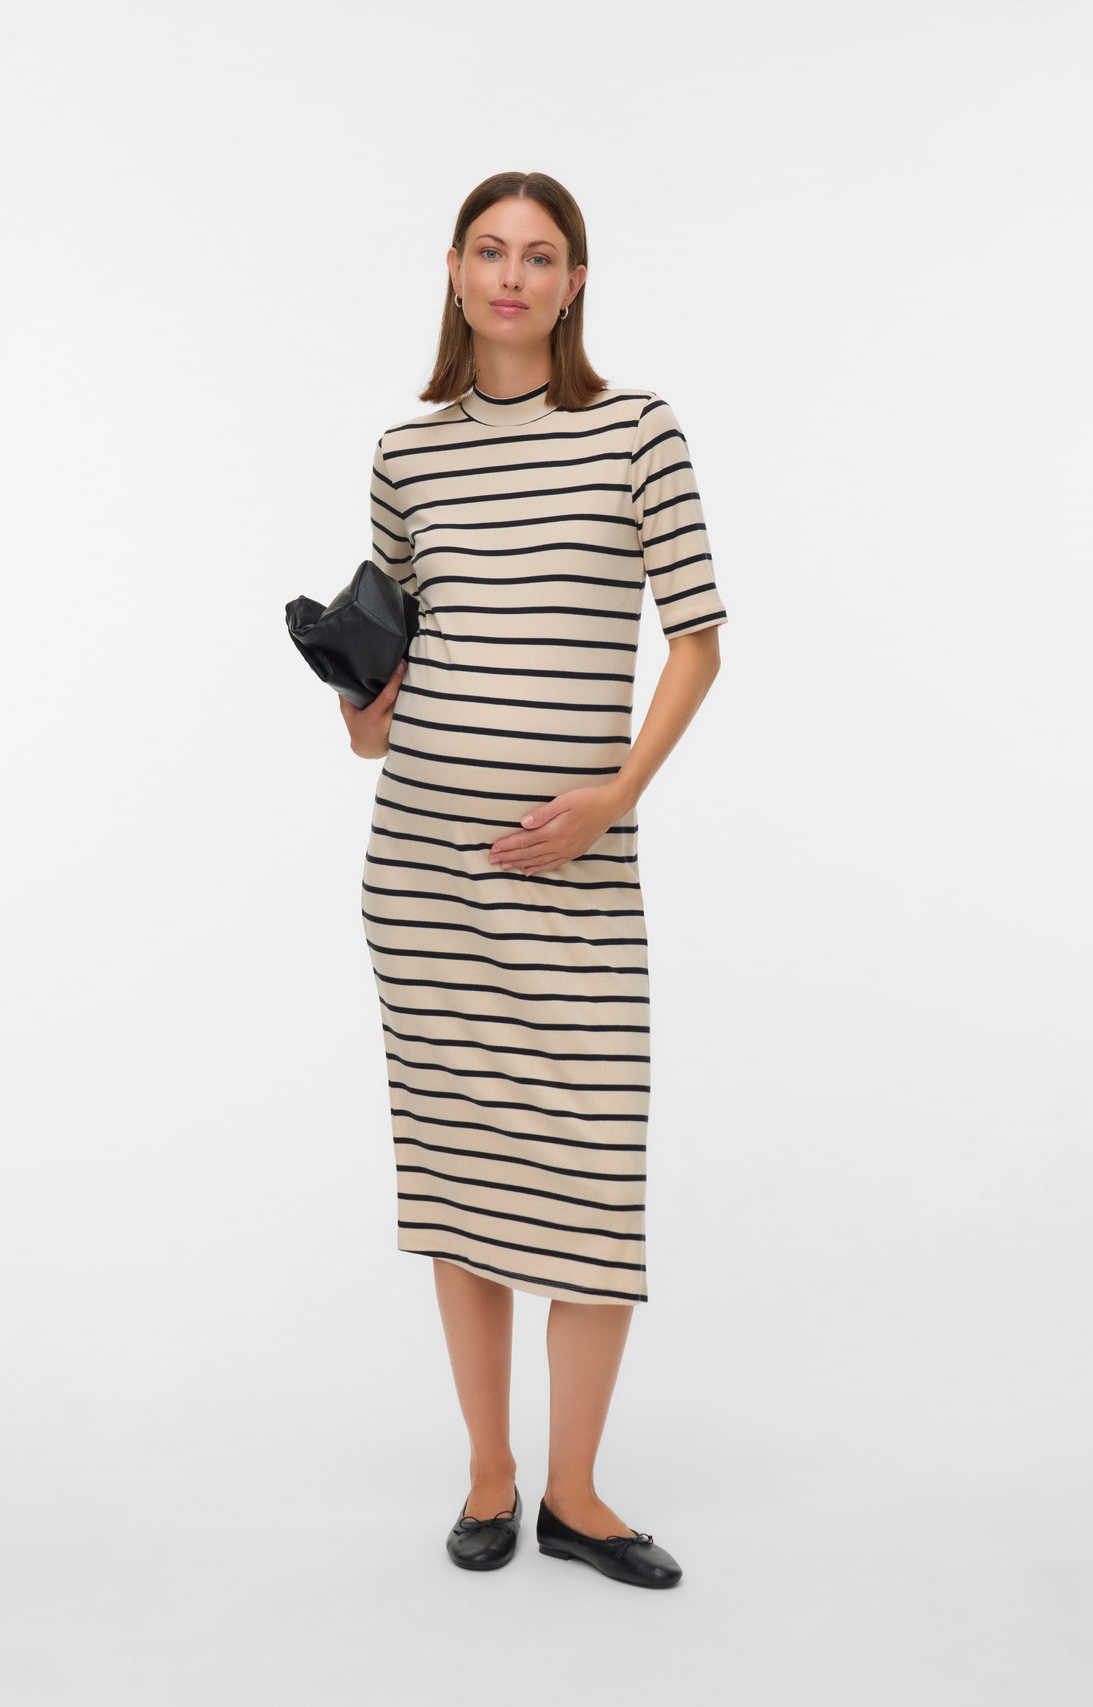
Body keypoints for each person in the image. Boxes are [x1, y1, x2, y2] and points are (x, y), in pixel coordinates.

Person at [339, 171, 725, 1589]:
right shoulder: (407, 454)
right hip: (428, 879)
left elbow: (698, 641)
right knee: (461, 1184)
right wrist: (350, 683)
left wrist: (616, 796)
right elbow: (379, 710)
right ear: (454, 270)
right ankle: (492, 1478)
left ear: (574, 283)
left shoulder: (637, 432)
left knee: (590, 1187)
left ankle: (578, 1493)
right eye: (491, 251)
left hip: (579, 877)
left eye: (541, 254)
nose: (513, 275)